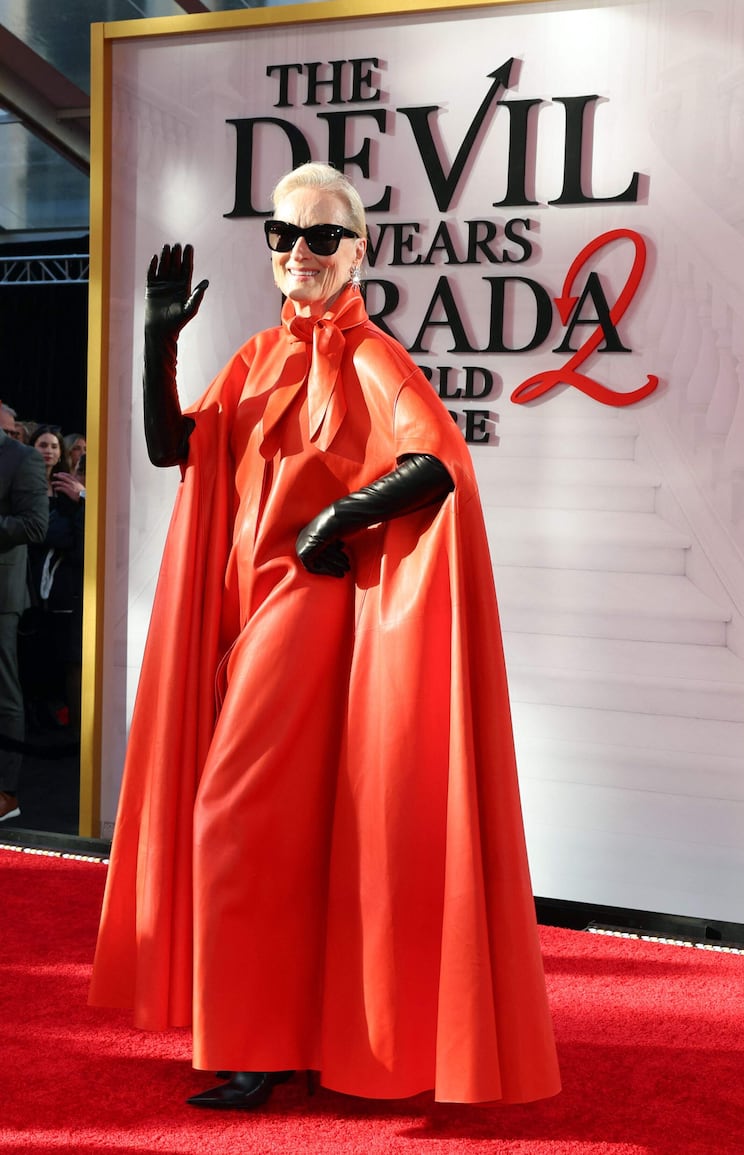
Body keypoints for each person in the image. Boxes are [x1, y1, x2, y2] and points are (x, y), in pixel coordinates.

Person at [89, 163, 560, 1109]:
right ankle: (283, 1030)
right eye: (280, 233)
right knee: (283, 834)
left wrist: (329, 523)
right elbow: (170, 447)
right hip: (238, 611)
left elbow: (435, 462)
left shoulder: (375, 356)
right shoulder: (258, 354)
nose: (295, 252)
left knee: (228, 813)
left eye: (319, 237)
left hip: (304, 612)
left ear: (359, 251)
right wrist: (153, 342)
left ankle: (255, 1045)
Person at [0, 403, 49, 821]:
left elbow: (35, 526)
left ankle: (6, 793)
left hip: (2, 596)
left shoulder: (23, 458)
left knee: (4, 693)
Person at [22, 426, 85, 732]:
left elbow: (72, 536)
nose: (48, 450)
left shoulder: (67, 489)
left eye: (54, 446)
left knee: (60, 654)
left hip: (61, 585)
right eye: (42, 444)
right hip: (28, 577)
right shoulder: (23, 485)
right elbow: (45, 532)